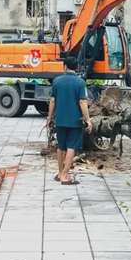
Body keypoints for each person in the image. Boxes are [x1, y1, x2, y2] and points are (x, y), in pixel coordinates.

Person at [46, 56, 93, 185]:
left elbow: (52, 100)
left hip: (59, 120)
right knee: (71, 147)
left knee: (61, 147)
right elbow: (83, 102)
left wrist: (49, 117)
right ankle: (65, 176)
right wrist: (88, 120)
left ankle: (60, 173)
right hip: (75, 121)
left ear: (64, 66)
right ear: (76, 67)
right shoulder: (80, 82)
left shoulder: (57, 81)